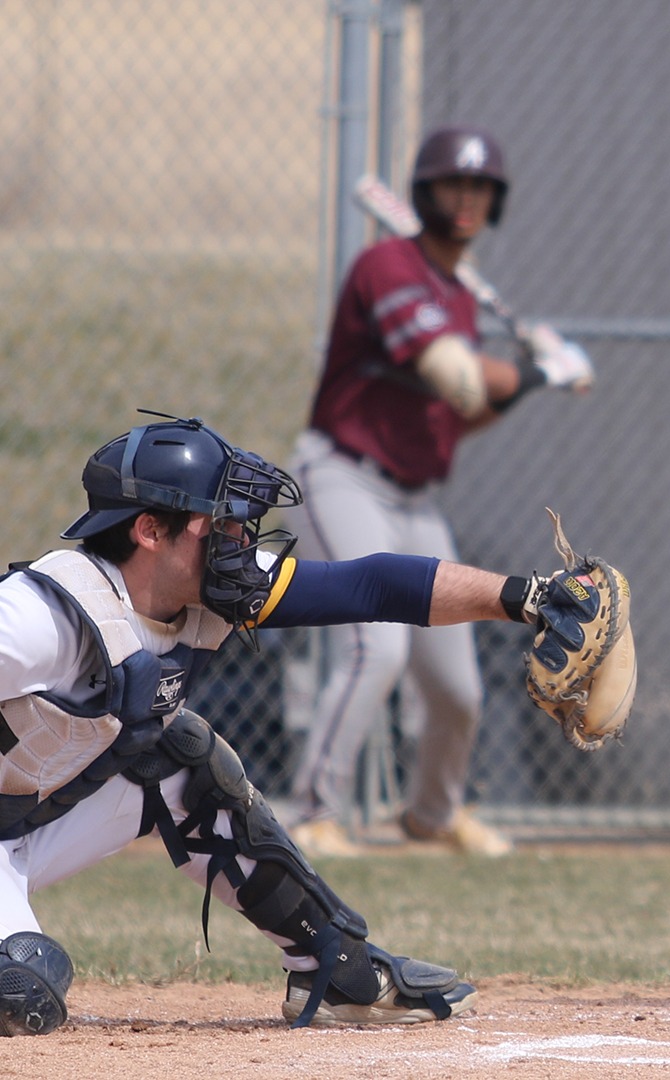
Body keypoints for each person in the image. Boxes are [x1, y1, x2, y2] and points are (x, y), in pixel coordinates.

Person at [0, 415, 608, 1034]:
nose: (239, 542)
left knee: (183, 759)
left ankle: (340, 973)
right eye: (222, 524)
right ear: (150, 530)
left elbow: (372, 586)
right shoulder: (41, 618)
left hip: (22, 832)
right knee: (25, 986)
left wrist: (529, 597)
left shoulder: (199, 591)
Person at [283, 126, 593, 858]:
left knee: (456, 687)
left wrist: (521, 384)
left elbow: (465, 410)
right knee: (377, 647)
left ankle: (431, 813)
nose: (467, 198)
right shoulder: (388, 266)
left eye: (481, 188)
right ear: (423, 193)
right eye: (454, 183)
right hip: (342, 476)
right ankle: (310, 813)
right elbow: (455, 375)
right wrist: (544, 372)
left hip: (416, 499)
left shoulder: (456, 297)